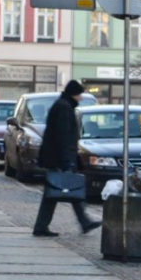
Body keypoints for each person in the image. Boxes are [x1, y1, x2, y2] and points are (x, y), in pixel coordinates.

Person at [33, 80, 101, 237]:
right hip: (59, 158)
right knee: (59, 190)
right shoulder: (64, 108)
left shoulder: (63, 105)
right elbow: (63, 136)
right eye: (79, 94)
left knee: (63, 190)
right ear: (73, 94)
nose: (81, 98)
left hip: (59, 156)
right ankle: (42, 226)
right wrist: (67, 161)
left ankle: (83, 221)